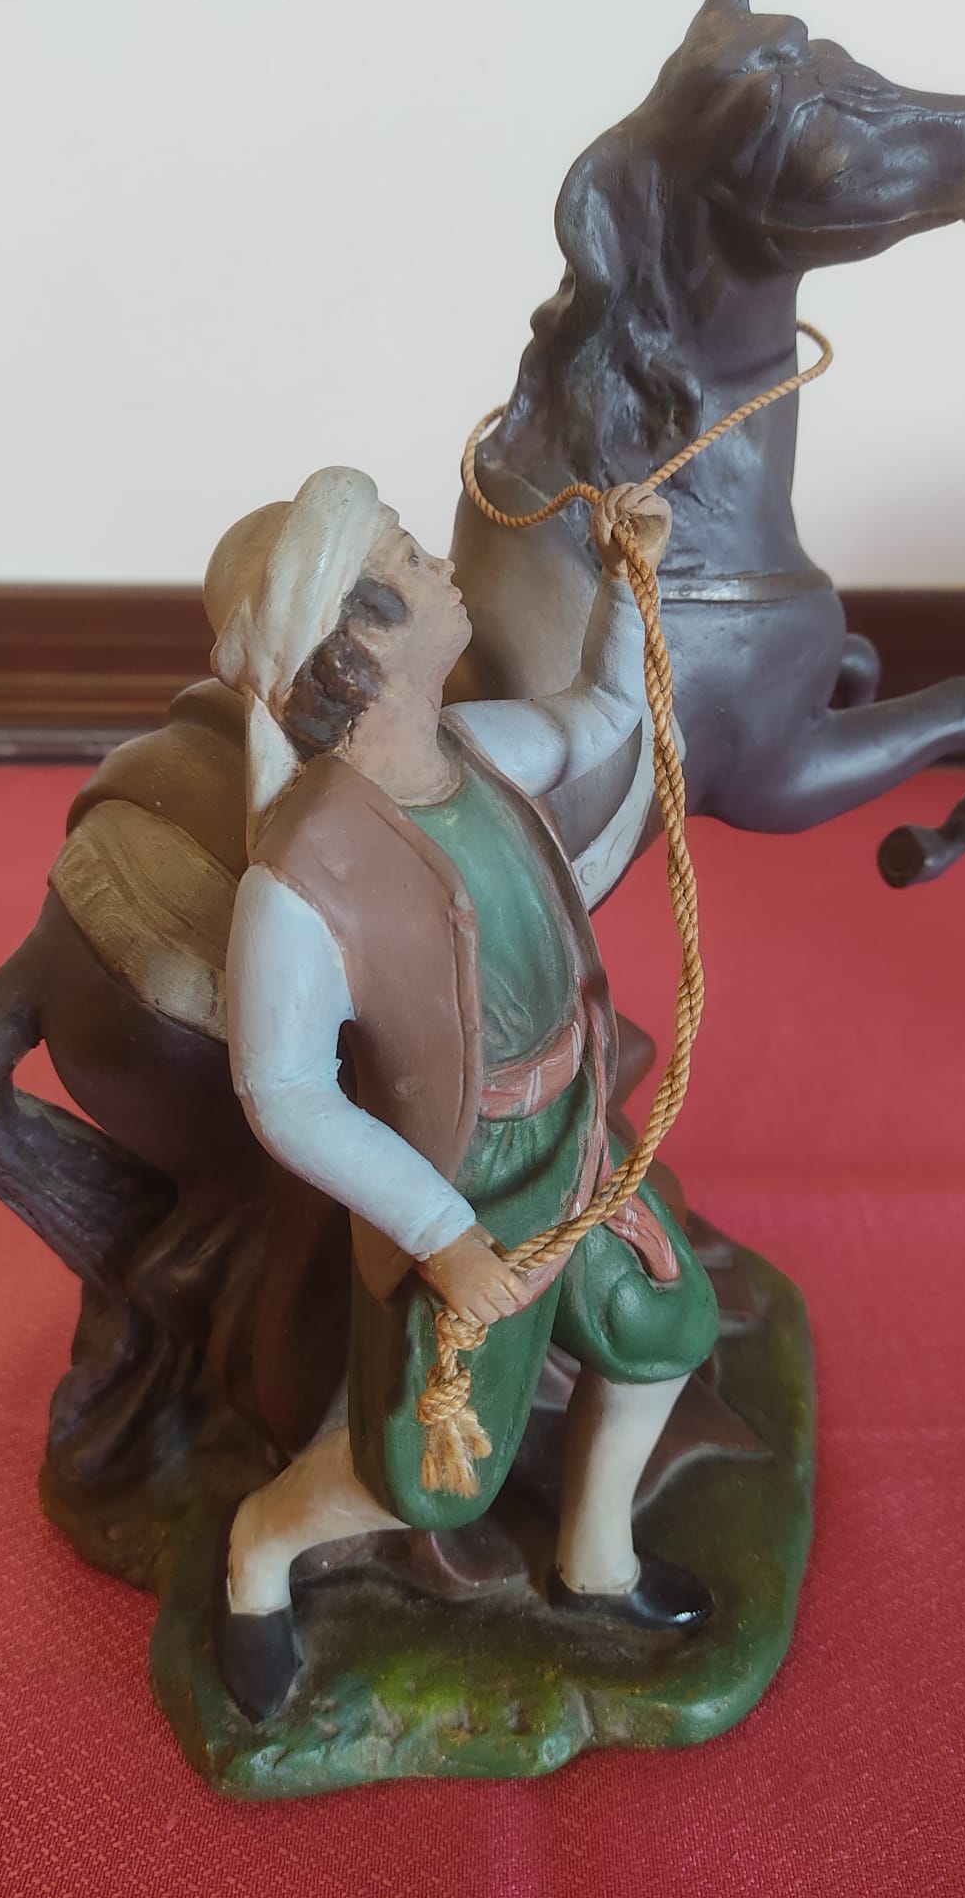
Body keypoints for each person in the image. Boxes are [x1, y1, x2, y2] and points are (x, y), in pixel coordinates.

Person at [205, 466, 719, 1723]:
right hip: (458, 1182)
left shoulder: (475, 751)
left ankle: (597, 1560)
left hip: (570, 1139)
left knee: (659, 1319)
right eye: (408, 557)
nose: (443, 562)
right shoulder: (304, 873)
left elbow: (606, 713)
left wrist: (627, 584)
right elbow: (283, 1091)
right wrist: (441, 1234)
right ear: (358, 643)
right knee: (425, 1476)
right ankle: (259, 1548)